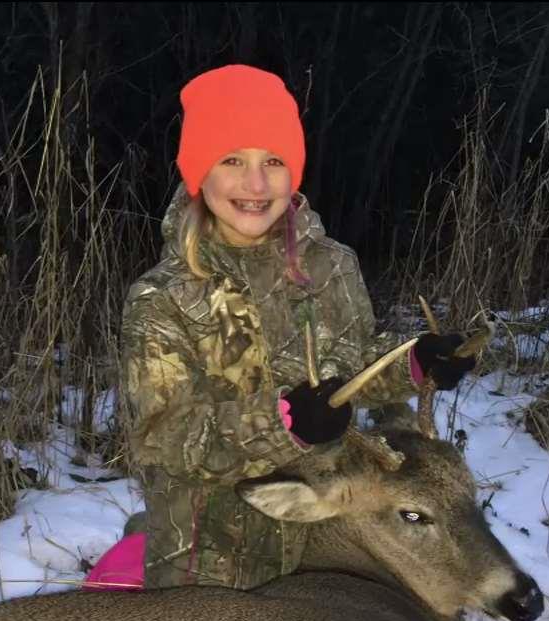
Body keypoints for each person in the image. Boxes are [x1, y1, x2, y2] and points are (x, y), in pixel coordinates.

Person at [83, 64, 475, 592]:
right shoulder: (163, 297)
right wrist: (283, 423)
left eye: (273, 160)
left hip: (328, 540)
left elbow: (351, 370)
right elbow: (165, 439)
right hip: (212, 558)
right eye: (231, 160)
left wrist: (413, 364)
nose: (255, 182)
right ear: (199, 172)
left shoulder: (333, 266)